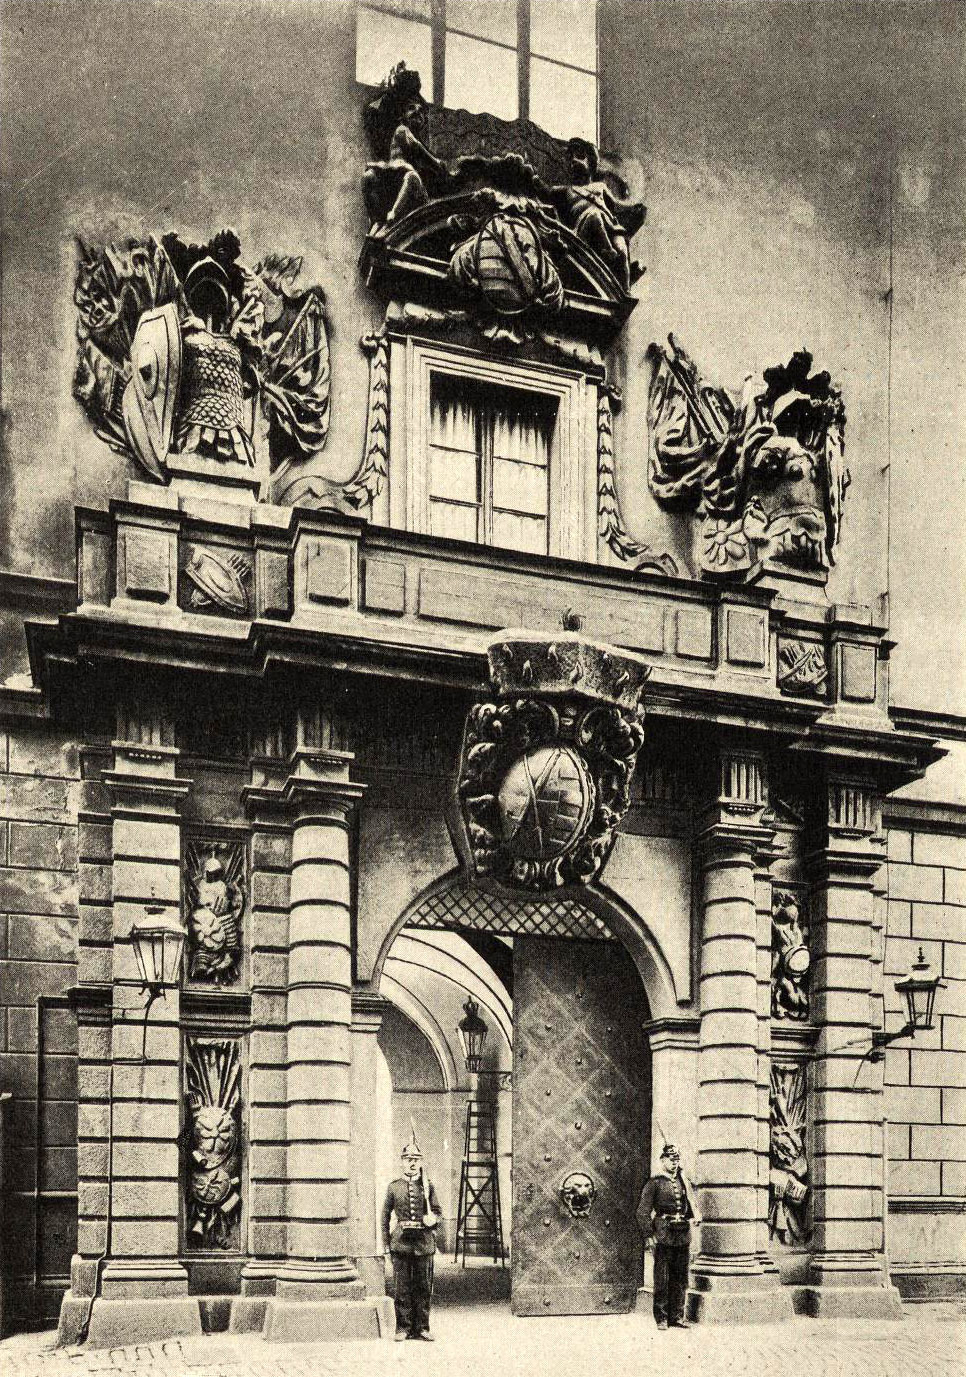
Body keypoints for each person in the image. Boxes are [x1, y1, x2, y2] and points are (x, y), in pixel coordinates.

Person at [551, 138, 646, 292]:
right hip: (585, 227)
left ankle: (625, 289)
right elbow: (545, 193)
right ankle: (607, 251)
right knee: (594, 216)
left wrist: (634, 208)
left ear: (592, 163)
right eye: (571, 158)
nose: (574, 160)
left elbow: (616, 205)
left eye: (580, 156)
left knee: (622, 249)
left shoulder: (600, 187)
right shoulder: (565, 191)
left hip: (610, 224)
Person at [381, 1127, 441, 1341]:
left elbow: (438, 1213)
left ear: (421, 1162)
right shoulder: (393, 1188)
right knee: (402, 1288)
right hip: (401, 1244)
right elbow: (385, 1217)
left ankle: (422, 1328)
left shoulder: (428, 1187)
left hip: (424, 1243)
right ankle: (403, 1328)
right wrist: (386, 1244)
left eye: (416, 1158)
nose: (412, 1162)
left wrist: (433, 1220)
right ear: (402, 1162)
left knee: (423, 1288)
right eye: (408, 1158)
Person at [636, 1142, 701, 1330]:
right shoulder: (654, 1183)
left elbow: (687, 1205)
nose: (674, 1163)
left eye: (676, 1160)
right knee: (662, 1277)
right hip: (663, 1234)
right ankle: (662, 1318)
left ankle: (677, 1316)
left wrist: (693, 1216)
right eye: (671, 1160)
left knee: (681, 1277)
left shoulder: (682, 1181)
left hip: (682, 1235)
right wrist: (649, 1235)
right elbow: (642, 1212)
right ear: (662, 1161)